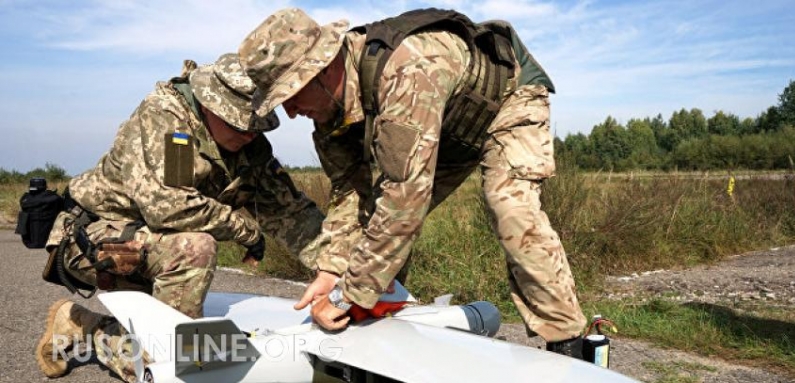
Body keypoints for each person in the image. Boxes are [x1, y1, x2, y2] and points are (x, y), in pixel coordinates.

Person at [238, 8, 587, 358]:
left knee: (511, 209)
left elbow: (404, 201)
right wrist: (332, 271)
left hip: (507, 102)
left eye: (292, 94)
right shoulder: (330, 117)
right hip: (447, 129)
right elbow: (350, 194)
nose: (291, 112)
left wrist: (347, 295)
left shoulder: (408, 69)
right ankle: (379, 331)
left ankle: (568, 342)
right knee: (374, 225)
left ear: (325, 69)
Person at [35, 53, 325, 382]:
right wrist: (244, 229)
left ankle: (112, 332)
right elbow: (169, 206)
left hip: (147, 245)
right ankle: (111, 340)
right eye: (240, 124)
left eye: (257, 125)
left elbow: (291, 210)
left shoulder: (248, 144)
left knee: (188, 319)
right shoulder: (167, 118)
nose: (250, 134)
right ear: (210, 105)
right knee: (194, 253)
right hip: (91, 240)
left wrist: (340, 268)